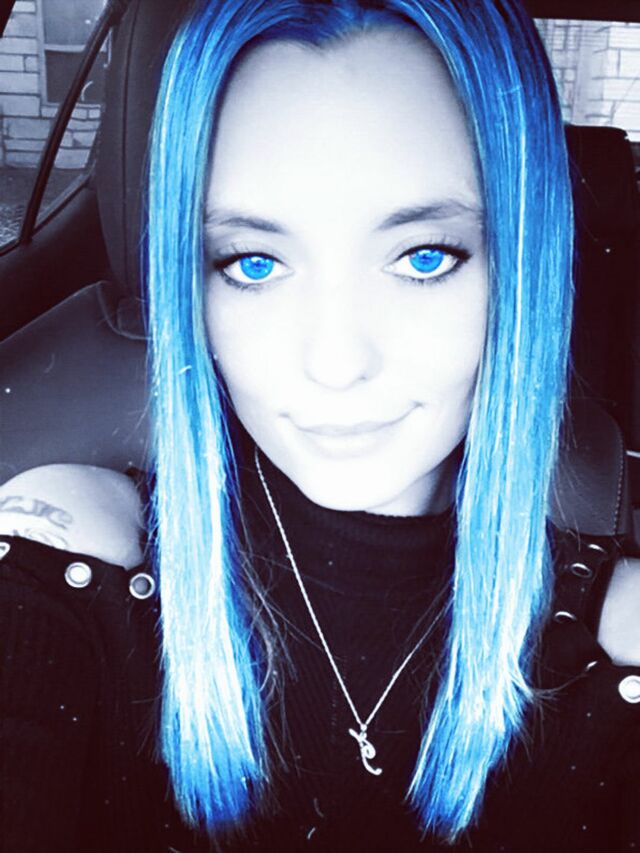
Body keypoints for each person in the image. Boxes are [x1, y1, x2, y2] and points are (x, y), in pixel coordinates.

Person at [1, 0, 639, 850]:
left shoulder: (615, 647)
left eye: (424, 257)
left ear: (523, 264)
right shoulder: (71, 551)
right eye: (253, 263)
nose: (335, 363)